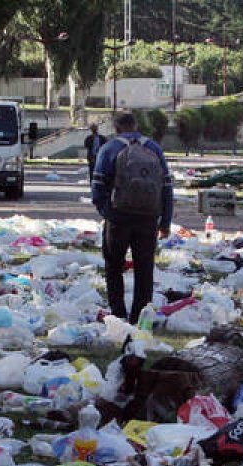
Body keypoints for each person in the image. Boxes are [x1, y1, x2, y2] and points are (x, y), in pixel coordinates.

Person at [91, 112, 173, 325]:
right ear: (136, 126)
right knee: (144, 268)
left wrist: (107, 212)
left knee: (114, 266)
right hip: (148, 217)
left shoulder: (109, 148)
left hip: (119, 217)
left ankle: (118, 313)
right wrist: (165, 221)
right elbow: (166, 186)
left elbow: (98, 186)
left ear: (116, 128)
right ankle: (140, 315)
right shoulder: (154, 148)